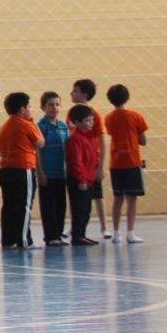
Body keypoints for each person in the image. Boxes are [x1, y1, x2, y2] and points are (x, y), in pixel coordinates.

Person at [0, 92, 44, 249]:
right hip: (22, 169)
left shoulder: (4, 126)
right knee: (24, 205)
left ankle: (8, 239)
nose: (31, 109)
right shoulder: (25, 124)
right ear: (22, 109)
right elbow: (40, 143)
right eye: (29, 106)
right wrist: (31, 121)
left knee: (9, 205)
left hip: (5, 169)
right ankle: (24, 240)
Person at [104, 84, 148, 243]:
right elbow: (143, 140)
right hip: (132, 162)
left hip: (115, 163)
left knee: (118, 198)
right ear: (127, 97)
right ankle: (130, 232)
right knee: (132, 199)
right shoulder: (136, 116)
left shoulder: (108, 118)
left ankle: (115, 233)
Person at [69, 79, 109, 239]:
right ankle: (76, 227)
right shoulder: (72, 113)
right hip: (79, 161)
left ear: (84, 94)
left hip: (93, 161)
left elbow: (102, 138)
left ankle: (104, 226)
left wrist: (100, 167)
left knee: (97, 195)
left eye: (75, 91)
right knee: (77, 198)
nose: (72, 93)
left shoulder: (94, 114)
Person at [36, 91, 69, 246]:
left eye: (57, 104)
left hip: (61, 172)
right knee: (48, 205)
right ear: (43, 107)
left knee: (60, 204)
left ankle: (58, 233)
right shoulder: (40, 127)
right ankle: (50, 236)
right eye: (50, 105)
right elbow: (37, 151)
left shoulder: (63, 127)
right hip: (47, 173)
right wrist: (40, 172)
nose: (54, 108)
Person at [66, 104, 99, 246]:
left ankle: (82, 234)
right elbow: (76, 161)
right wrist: (81, 179)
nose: (91, 123)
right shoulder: (75, 139)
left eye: (92, 120)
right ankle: (77, 235)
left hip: (88, 178)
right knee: (79, 209)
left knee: (86, 209)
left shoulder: (89, 137)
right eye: (87, 120)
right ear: (77, 122)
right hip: (79, 180)